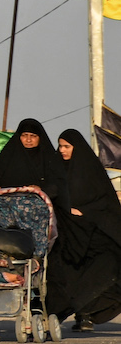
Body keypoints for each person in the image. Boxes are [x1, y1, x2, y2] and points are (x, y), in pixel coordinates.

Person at [52, 129, 121, 328]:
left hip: (93, 231)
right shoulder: (56, 171)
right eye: (61, 146)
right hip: (66, 233)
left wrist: (84, 212)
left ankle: (87, 313)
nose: (63, 150)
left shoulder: (91, 171)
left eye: (67, 146)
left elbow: (104, 202)